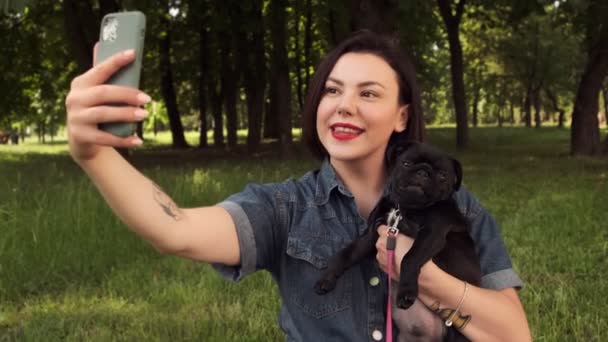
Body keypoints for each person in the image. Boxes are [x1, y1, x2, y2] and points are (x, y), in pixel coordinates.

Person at [65, 30, 531, 341]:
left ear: (402, 116)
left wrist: (427, 279)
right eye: (332, 90)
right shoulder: (285, 208)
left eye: (368, 93)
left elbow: (513, 334)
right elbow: (175, 230)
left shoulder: (455, 206)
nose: (344, 105)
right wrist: (94, 154)